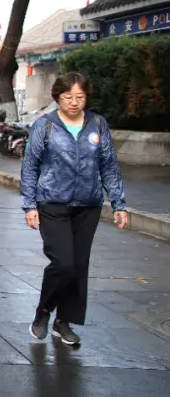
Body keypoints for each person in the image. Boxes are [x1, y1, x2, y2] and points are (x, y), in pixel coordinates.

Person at [21, 72, 127, 347]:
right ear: (58, 97)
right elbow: (30, 166)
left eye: (80, 97)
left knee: (79, 266)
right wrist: (29, 204)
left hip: (88, 205)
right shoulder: (44, 125)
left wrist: (118, 203)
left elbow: (109, 165)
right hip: (52, 203)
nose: (74, 102)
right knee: (63, 263)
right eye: (68, 97)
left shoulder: (97, 123)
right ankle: (43, 312)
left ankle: (64, 322)